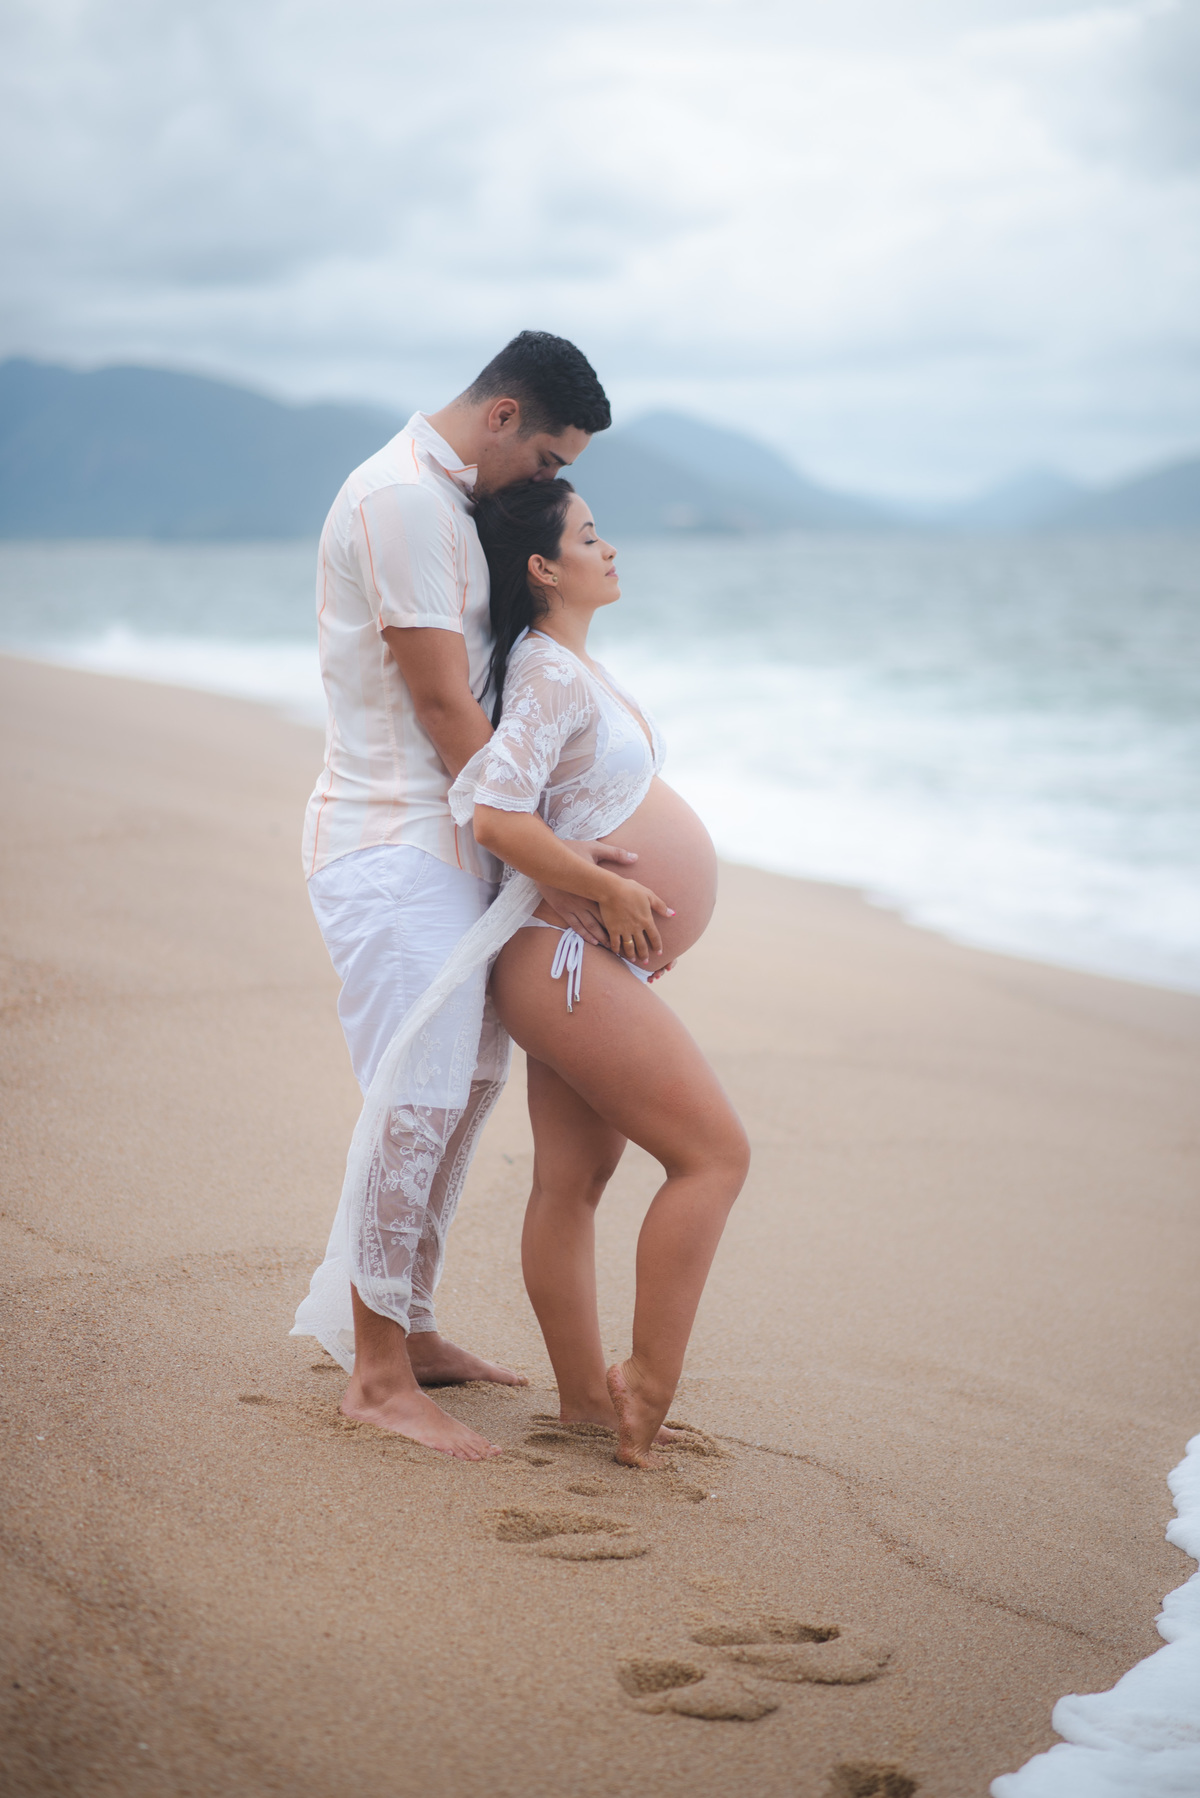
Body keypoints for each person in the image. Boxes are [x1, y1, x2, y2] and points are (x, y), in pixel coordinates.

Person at [292, 333, 632, 1462]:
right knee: (416, 1099)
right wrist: (548, 858)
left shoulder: (447, 504)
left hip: (453, 852)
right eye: (547, 458)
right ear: (500, 419)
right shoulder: (399, 501)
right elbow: (444, 706)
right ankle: (377, 1376)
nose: (550, 484)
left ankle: (415, 1328)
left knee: (464, 1092)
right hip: (392, 845)